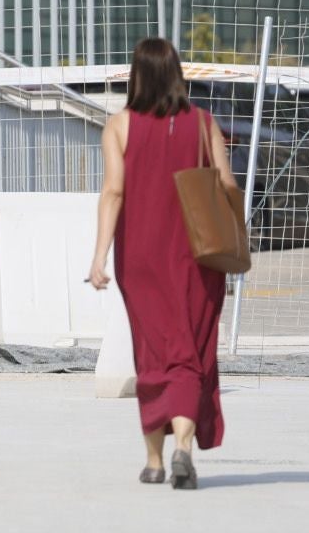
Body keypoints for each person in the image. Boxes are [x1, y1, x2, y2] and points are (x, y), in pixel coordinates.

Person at [87, 36, 236, 490]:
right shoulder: (205, 124)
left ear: (136, 76)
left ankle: (154, 461)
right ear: (177, 75)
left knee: (153, 354)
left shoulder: (119, 126)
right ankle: (183, 449)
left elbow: (114, 192)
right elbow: (227, 185)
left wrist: (99, 256)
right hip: (199, 256)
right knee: (189, 352)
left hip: (141, 258)